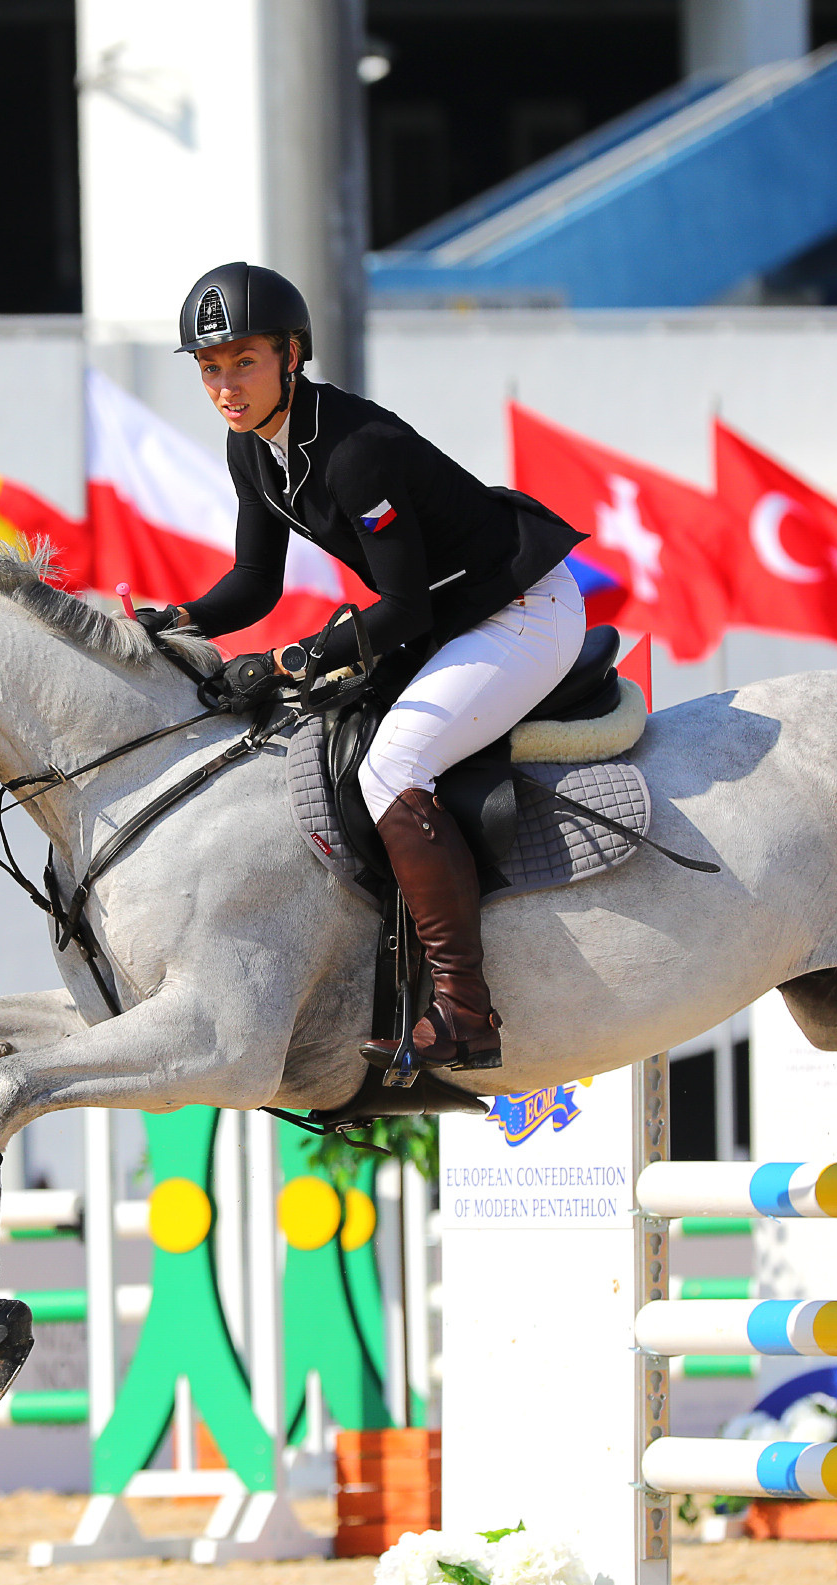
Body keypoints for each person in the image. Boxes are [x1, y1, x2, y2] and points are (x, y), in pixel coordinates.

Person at [138, 261, 592, 1073]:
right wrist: (180, 619)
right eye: (210, 367)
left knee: (393, 765)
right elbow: (254, 583)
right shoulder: (254, 450)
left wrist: (295, 657)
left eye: (244, 361)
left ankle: (462, 1005)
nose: (226, 386)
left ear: (291, 354)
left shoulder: (354, 450)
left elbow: (407, 609)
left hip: (521, 609)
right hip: (452, 617)